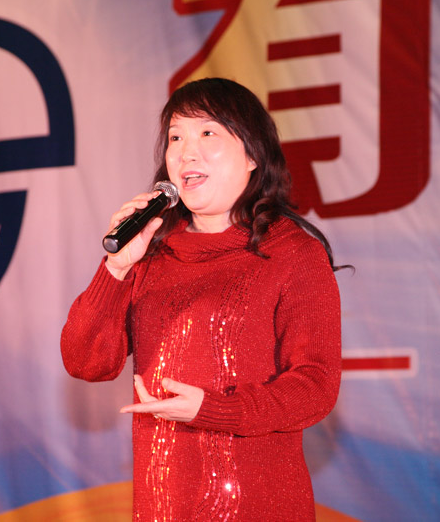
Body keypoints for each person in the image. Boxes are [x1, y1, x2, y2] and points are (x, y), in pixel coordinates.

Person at [61, 77, 345, 521]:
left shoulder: (293, 253)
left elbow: (316, 387)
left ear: (252, 155)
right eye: (176, 138)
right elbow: (85, 361)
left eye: (207, 132)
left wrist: (213, 410)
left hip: (258, 506)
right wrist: (115, 269)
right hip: (163, 506)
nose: (185, 152)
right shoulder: (153, 253)